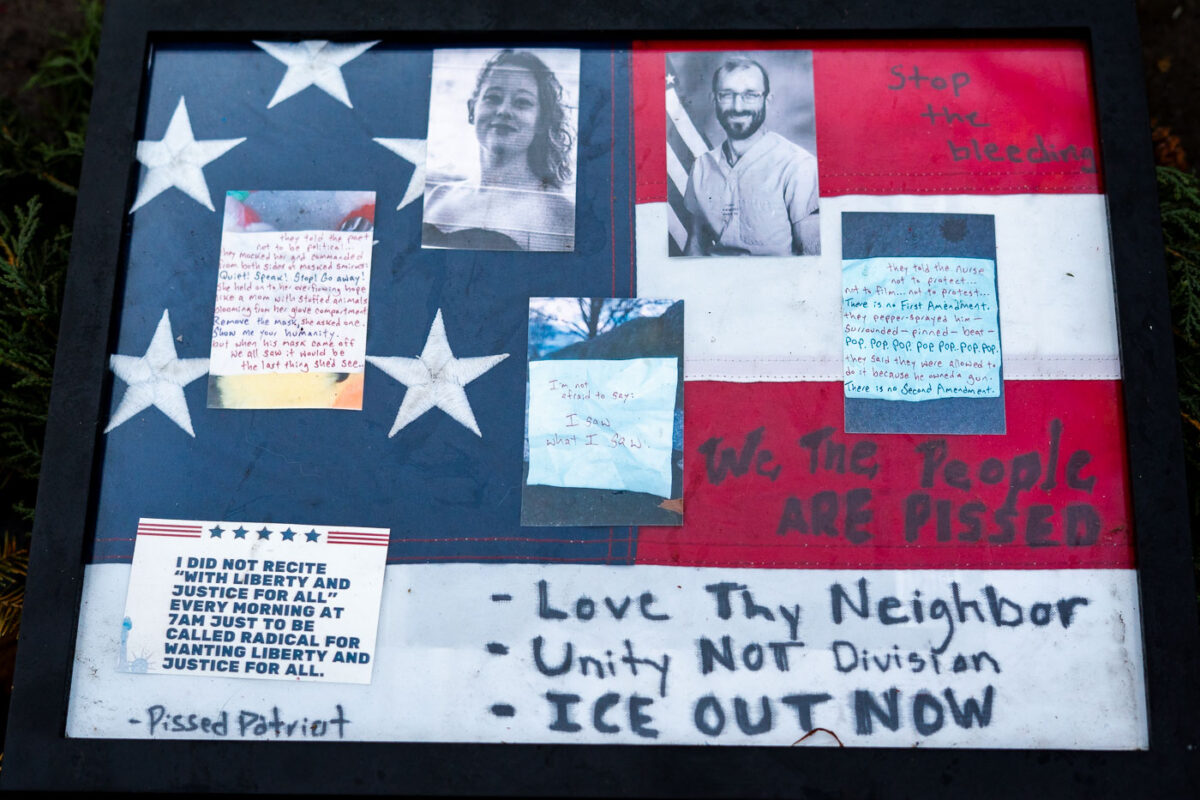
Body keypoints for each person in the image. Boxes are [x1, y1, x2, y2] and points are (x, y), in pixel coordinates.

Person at [423, 49, 576, 252]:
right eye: (493, 97)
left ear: (541, 121)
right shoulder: (438, 198)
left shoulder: (562, 215)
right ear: (472, 110)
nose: (503, 110)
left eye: (522, 102)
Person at [683, 55, 820, 257]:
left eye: (751, 95)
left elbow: (812, 257)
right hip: (715, 276)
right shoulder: (702, 166)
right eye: (727, 95)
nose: (738, 107)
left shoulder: (798, 165)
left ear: (767, 100)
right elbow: (696, 244)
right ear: (714, 99)